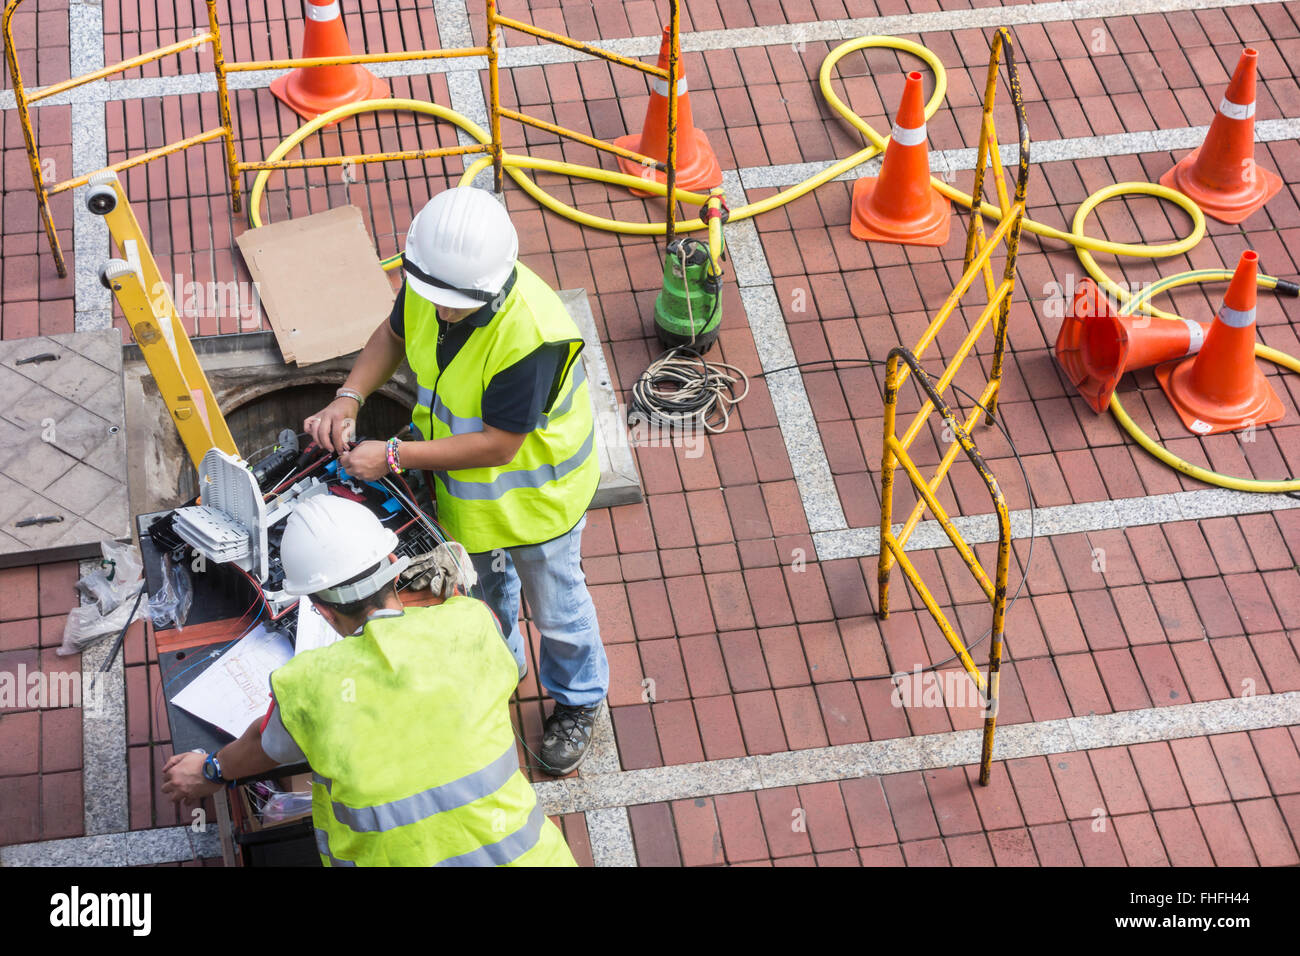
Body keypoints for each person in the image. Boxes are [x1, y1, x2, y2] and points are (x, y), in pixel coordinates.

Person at [302, 186, 608, 775]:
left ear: (489, 288)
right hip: (466, 496)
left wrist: (393, 455)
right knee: (486, 597)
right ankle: (503, 665)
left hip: (536, 502)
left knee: (558, 610)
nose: (438, 310)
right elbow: (391, 336)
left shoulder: (531, 337)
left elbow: (499, 443)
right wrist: (348, 396)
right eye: (431, 295)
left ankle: (578, 702)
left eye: (453, 305)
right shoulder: (435, 281)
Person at [161, 494, 576, 867]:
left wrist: (211, 770)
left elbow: (262, 747)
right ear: (395, 567)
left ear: (321, 611)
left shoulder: (307, 683)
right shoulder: (473, 622)